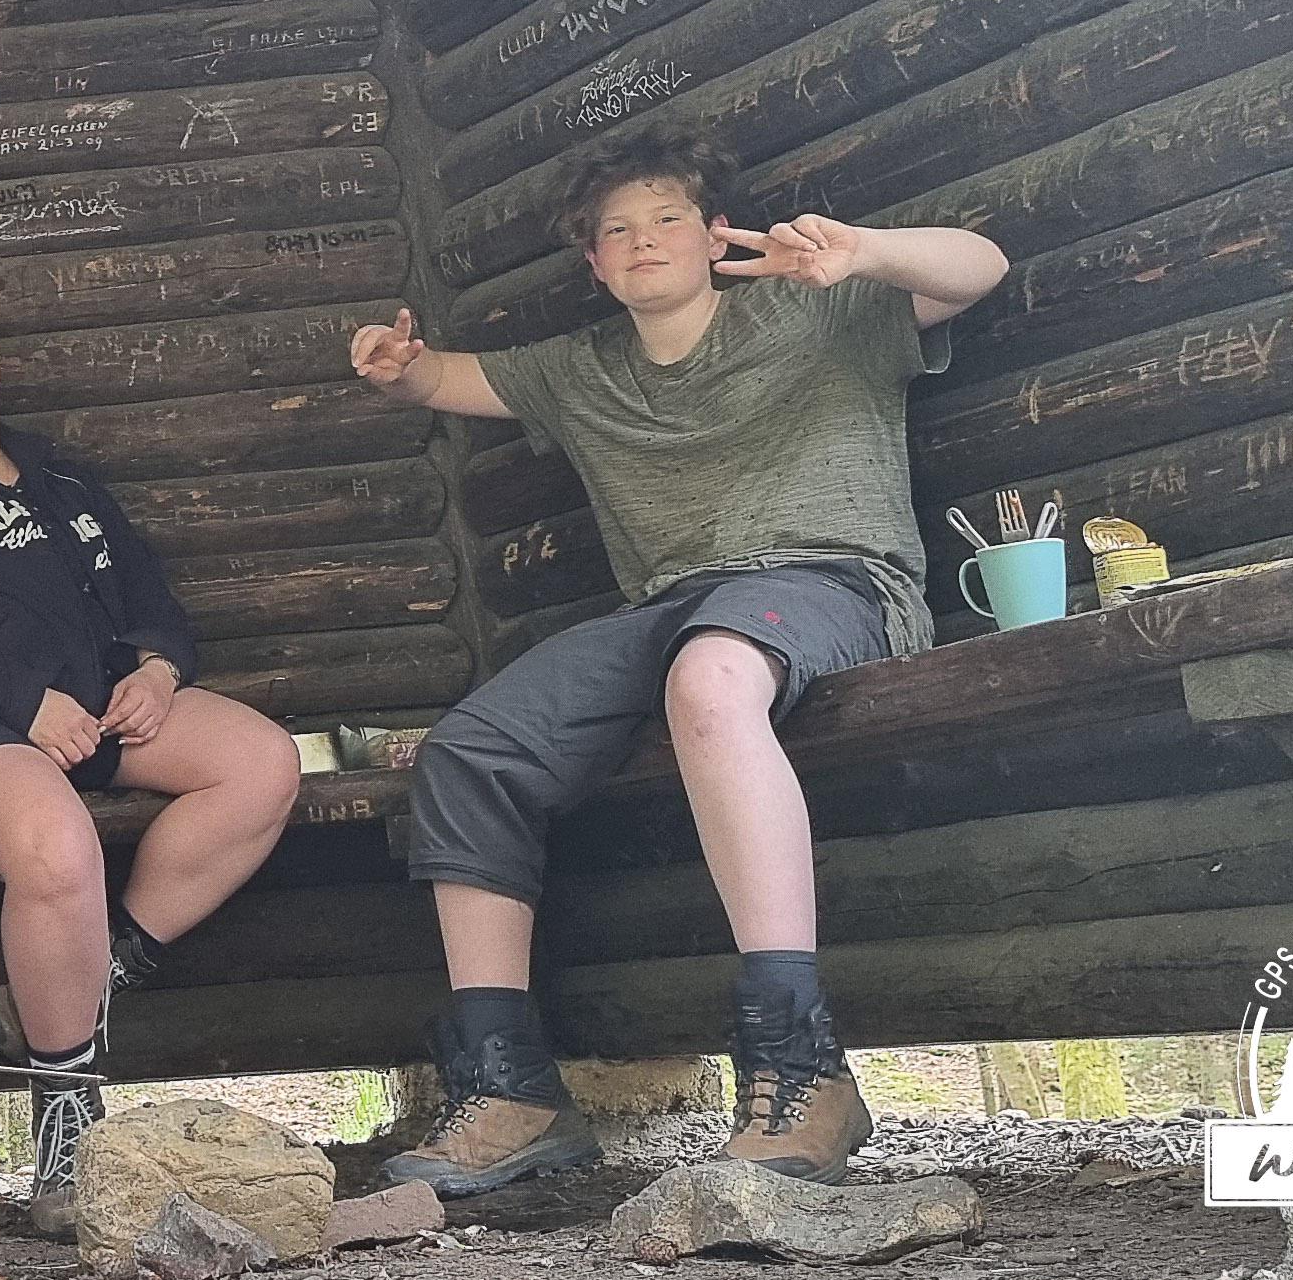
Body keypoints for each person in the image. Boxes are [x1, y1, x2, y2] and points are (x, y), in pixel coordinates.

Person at [349, 129, 1007, 1195]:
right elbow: (442, 379)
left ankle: (802, 1069)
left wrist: (866, 252)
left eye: (665, 218)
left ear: (714, 236)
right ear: (595, 265)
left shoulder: (817, 309)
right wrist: (398, 369)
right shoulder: (580, 370)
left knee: (709, 678)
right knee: (469, 751)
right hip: (666, 609)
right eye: (616, 231)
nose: (642, 239)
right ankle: (511, 1092)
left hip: (832, 580)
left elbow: (981, 267)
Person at [0, 282, 304, 1233]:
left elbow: (150, 599)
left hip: (80, 719)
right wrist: (24, 703)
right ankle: (66, 1118)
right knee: (55, 840)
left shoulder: (64, 481)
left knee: (261, 763)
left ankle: (101, 971)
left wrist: (159, 670)